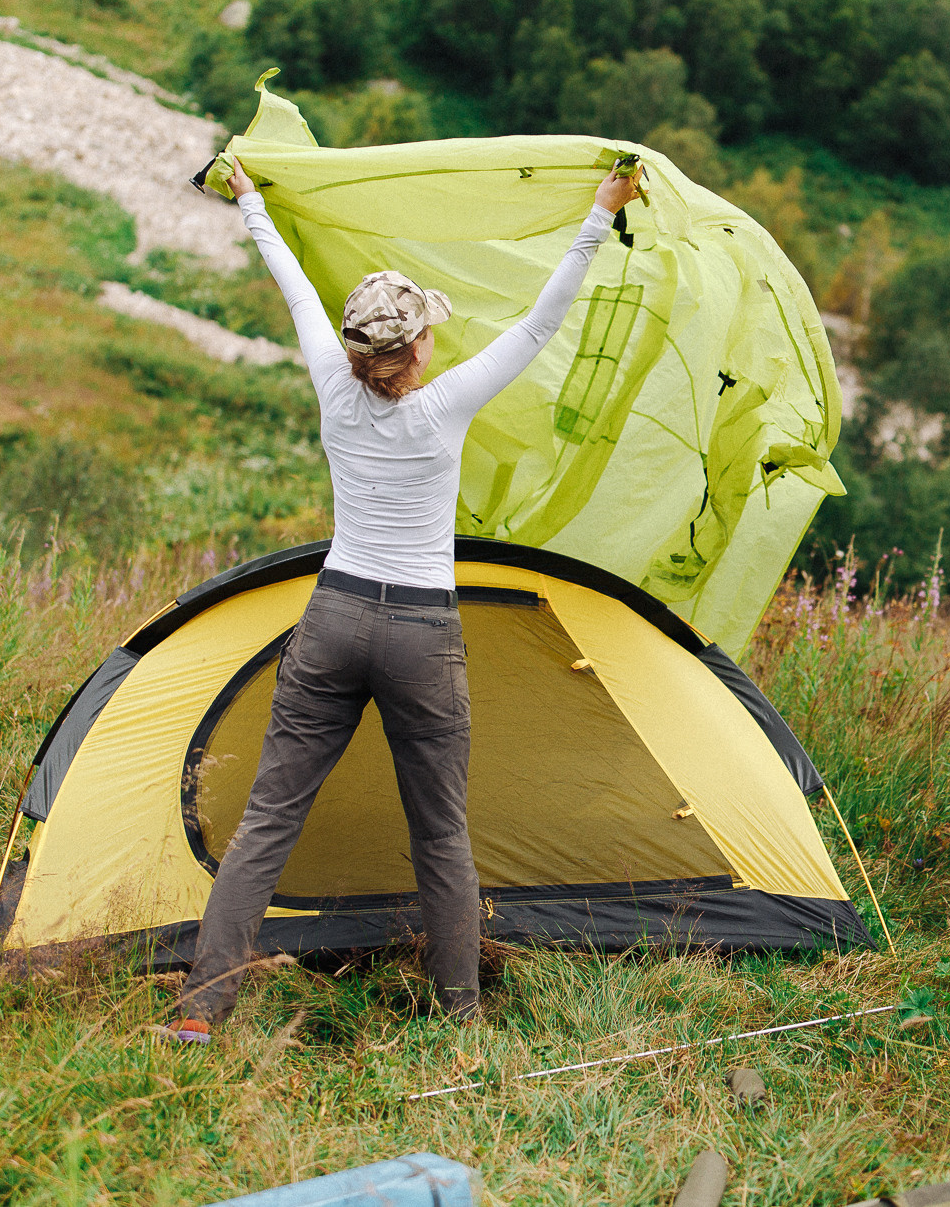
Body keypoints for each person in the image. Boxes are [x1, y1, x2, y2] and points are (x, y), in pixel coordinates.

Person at [169, 157, 646, 1040]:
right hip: (422, 634)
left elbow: (298, 293)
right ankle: (459, 1015)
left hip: (334, 616)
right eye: (425, 328)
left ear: (359, 351)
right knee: (441, 833)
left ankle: (201, 1011)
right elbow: (540, 327)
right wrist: (598, 215)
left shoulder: (329, 382)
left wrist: (250, 204)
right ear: (417, 347)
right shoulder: (445, 408)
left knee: (268, 821)